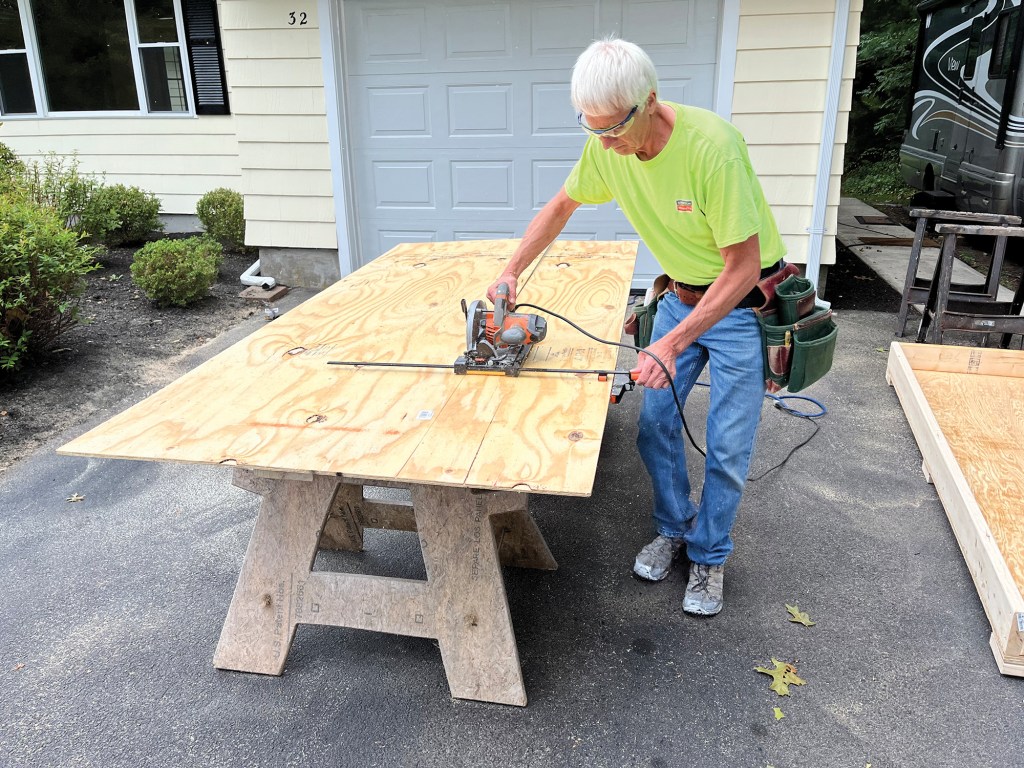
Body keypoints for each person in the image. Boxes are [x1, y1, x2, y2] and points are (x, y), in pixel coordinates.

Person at [486, 37, 787, 616]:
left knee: (727, 445)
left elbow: (743, 268)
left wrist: (671, 342)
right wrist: (511, 271)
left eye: (615, 128)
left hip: (742, 304)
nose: (605, 143)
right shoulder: (606, 144)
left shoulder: (711, 150)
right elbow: (560, 207)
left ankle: (709, 555)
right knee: (654, 427)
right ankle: (674, 528)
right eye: (592, 129)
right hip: (679, 294)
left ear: (650, 100)